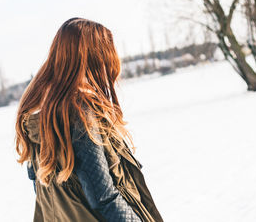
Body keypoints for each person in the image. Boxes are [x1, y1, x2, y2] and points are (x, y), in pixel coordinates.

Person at [15, 17, 163, 222]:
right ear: (94, 57)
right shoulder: (80, 113)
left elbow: (39, 188)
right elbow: (104, 196)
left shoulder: (36, 114)